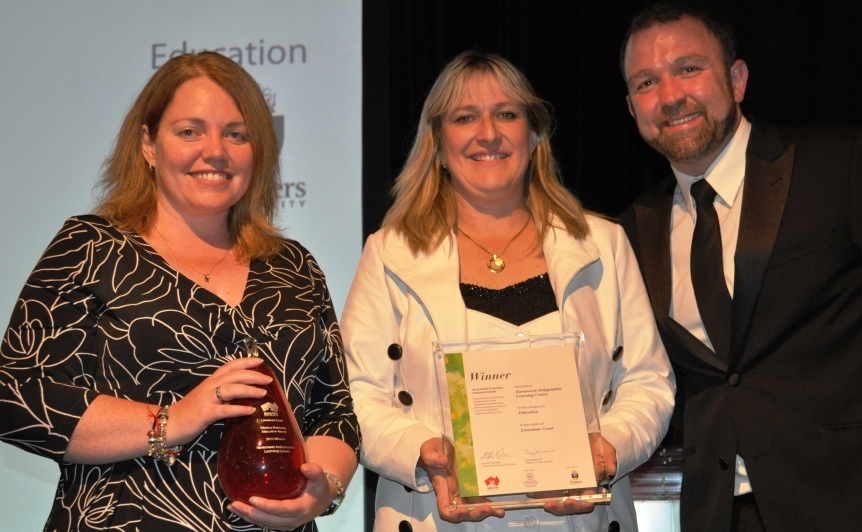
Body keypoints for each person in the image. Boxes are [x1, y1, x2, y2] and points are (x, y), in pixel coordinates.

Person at [616, 3, 862, 531]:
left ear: (736, 79)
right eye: (645, 82)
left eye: (688, 68)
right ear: (631, 106)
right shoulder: (631, 232)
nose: (669, 95)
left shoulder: (843, 165)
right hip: (722, 514)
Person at [0, 51, 359, 531]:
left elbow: (334, 413)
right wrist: (172, 419)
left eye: (237, 133)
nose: (216, 150)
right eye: (190, 131)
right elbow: (16, 396)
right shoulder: (90, 247)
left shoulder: (293, 267)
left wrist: (321, 492)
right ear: (148, 144)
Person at [341, 50, 675, 531]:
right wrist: (424, 454)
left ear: (535, 133)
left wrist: (609, 447)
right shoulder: (389, 253)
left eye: (506, 114)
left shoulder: (603, 243)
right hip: (439, 518)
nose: (488, 133)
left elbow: (649, 382)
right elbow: (357, 395)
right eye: (464, 117)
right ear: (437, 142)